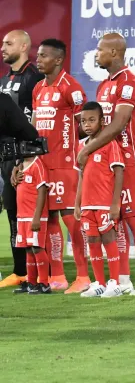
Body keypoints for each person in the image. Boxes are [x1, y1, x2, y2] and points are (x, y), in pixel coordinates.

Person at [76, 33, 135, 296]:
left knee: (133, 219)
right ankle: (121, 280)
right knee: (114, 221)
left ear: (113, 52)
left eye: (99, 50)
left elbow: (119, 124)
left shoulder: (129, 83)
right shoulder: (103, 86)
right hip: (105, 162)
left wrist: (87, 149)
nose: (96, 54)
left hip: (128, 160)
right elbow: (98, 127)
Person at [28, 39, 87, 292]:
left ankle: (84, 276)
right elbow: (33, 126)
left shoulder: (71, 88)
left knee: (72, 220)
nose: (38, 59)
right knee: (49, 219)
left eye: (43, 56)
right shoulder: (38, 88)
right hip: (42, 165)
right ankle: (59, 276)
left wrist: (75, 151)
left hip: (65, 165)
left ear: (59, 59)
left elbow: (85, 124)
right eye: (38, 55)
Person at [0, 29, 44, 289]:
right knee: (12, 215)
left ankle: (40, 271)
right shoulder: (4, 80)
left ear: (25, 45)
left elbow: (35, 120)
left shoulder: (34, 79)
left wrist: (26, 156)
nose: (3, 47)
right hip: (6, 157)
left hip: (25, 156)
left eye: (8, 43)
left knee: (28, 214)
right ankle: (20, 270)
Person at [74, 102, 124, 298]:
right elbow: (81, 177)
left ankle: (115, 283)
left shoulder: (109, 144)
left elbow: (119, 172)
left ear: (102, 121)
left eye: (92, 120)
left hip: (104, 203)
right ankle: (99, 283)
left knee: (108, 238)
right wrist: (77, 203)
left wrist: (115, 203)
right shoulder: (81, 146)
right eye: (83, 121)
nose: (87, 125)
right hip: (87, 204)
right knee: (92, 241)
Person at [13, 155, 50, 294]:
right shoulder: (21, 165)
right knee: (28, 249)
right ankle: (32, 282)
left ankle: (44, 284)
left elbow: (42, 191)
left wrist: (37, 217)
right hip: (22, 216)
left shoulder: (38, 164)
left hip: (34, 216)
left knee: (37, 248)